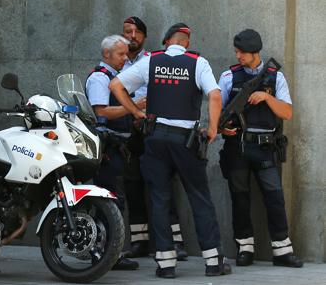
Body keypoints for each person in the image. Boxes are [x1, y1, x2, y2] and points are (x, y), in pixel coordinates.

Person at [110, 23, 231, 278]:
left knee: (159, 198)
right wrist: (212, 128)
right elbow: (216, 96)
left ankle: (165, 265)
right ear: (186, 42)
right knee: (199, 197)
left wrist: (135, 112)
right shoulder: (198, 62)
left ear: (167, 41)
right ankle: (213, 262)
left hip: (155, 139)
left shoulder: (151, 61)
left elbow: (115, 86)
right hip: (185, 141)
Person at [218, 29, 303, 268]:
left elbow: (287, 112)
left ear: (255, 52)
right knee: (240, 199)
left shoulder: (276, 78)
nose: (238, 56)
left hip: (265, 148)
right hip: (237, 148)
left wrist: (266, 98)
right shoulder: (228, 77)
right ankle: (244, 248)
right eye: (236, 51)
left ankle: (282, 250)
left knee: (275, 198)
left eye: (242, 52)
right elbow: (217, 112)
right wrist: (222, 129)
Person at [120, 16, 188, 260]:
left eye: (137, 32)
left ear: (145, 37)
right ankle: (140, 241)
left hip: (153, 129)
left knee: (162, 186)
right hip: (129, 132)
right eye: (127, 31)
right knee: (133, 186)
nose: (132, 36)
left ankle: (175, 242)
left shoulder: (154, 61)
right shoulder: (117, 64)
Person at [85, 35, 140, 271]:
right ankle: (104, 254)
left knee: (116, 201)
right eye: (121, 54)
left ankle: (110, 252)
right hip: (107, 148)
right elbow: (102, 112)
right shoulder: (100, 78)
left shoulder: (116, 78)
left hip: (119, 147)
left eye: (126, 53)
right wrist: (135, 108)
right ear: (106, 54)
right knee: (109, 201)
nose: (125, 58)